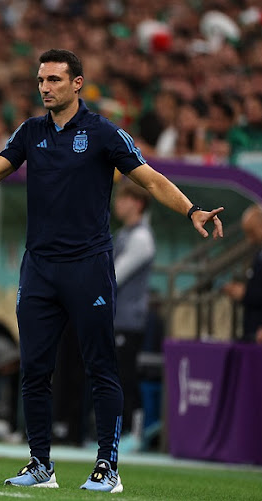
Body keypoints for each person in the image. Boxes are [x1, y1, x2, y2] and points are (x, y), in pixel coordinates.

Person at [0, 49, 223, 493]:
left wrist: (191, 210)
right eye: (40, 81)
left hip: (88, 267)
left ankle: (108, 465)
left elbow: (148, 179)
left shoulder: (103, 132)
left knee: (101, 367)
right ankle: (41, 464)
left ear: (77, 83)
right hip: (39, 270)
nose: (45, 87)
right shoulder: (30, 132)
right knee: (34, 369)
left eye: (53, 79)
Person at [112, 181, 156, 436]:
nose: (118, 203)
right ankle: (122, 429)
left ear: (138, 203)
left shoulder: (141, 238)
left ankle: (134, 431)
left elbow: (115, 276)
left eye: (123, 198)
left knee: (126, 377)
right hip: (117, 319)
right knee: (116, 377)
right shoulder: (123, 234)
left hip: (129, 320)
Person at [222, 204, 262, 343]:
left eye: (251, 232)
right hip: (254, 332)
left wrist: (244, 293)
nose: (249, 239)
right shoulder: (260, 253)